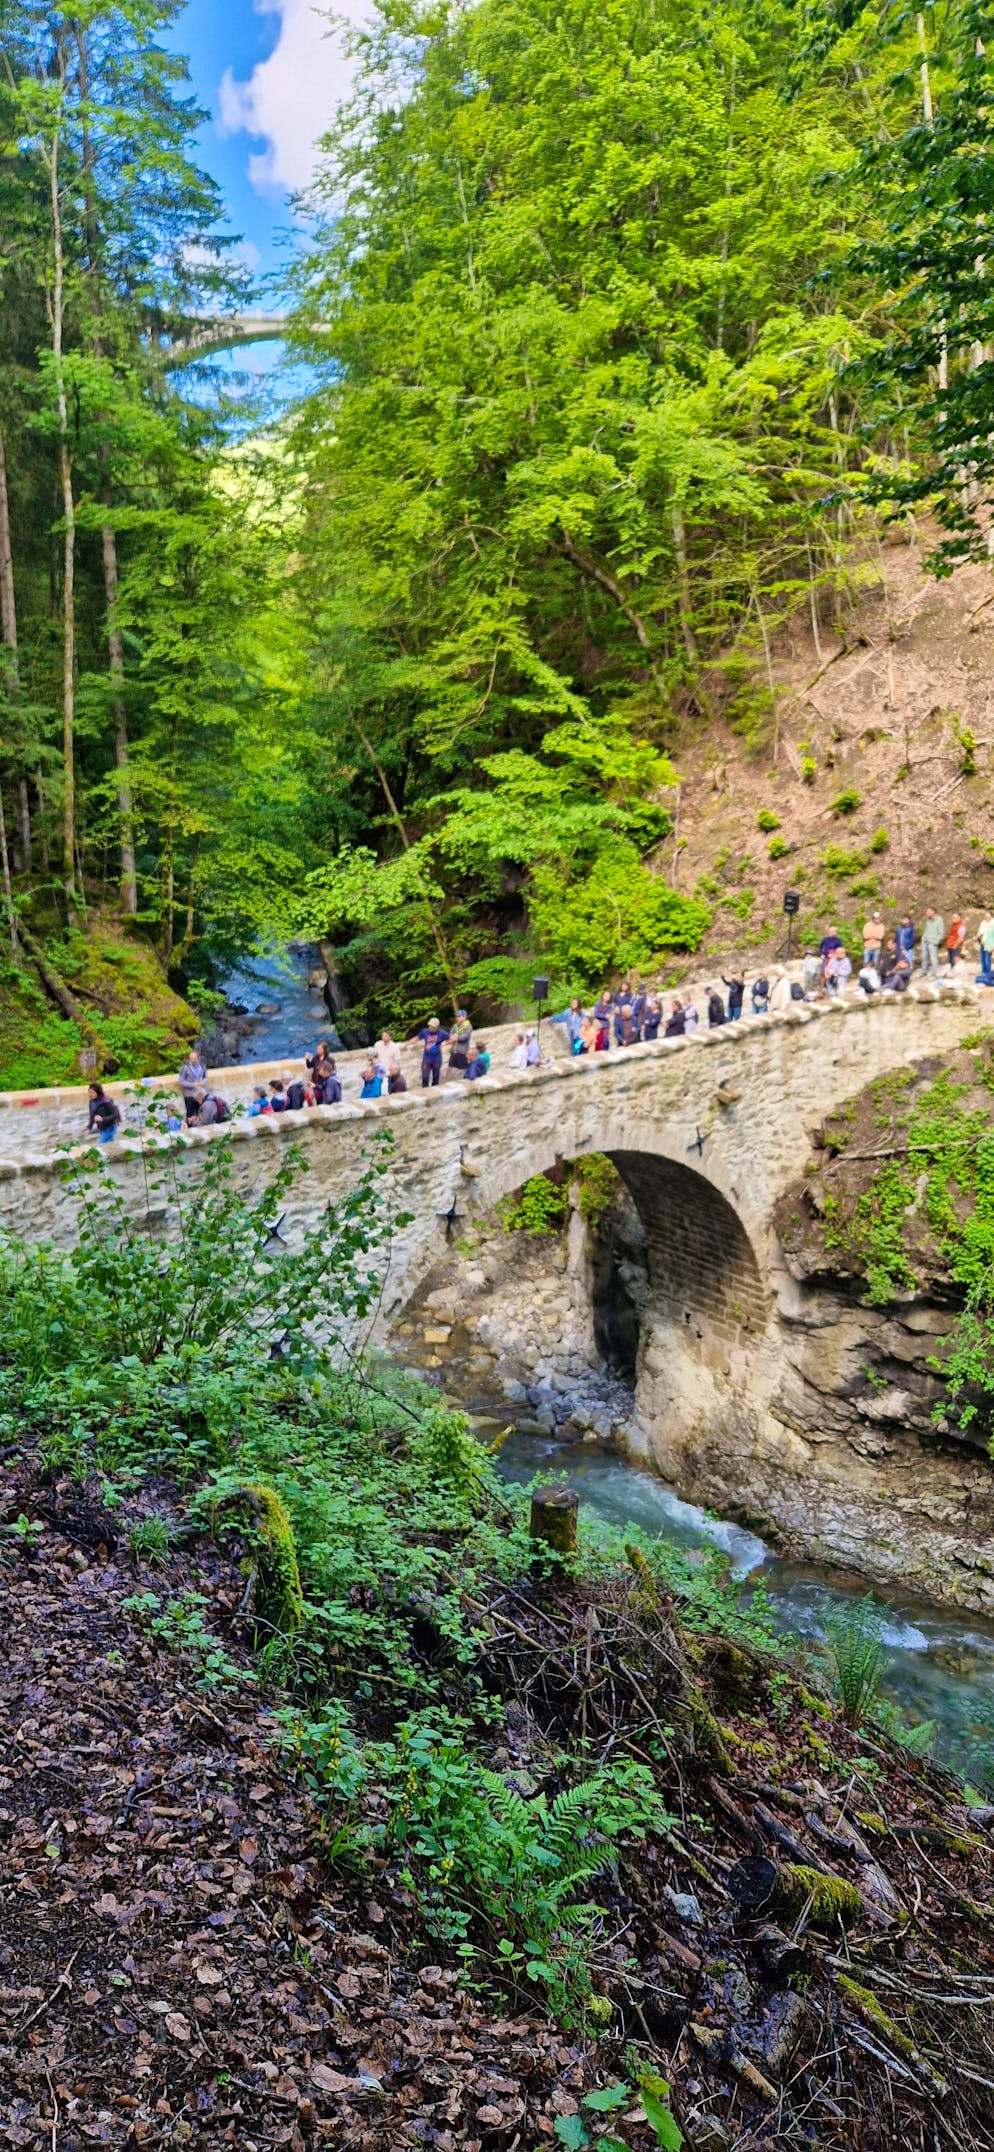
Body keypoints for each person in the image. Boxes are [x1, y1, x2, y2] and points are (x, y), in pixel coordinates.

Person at [413, 1016, 449, 1088]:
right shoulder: (425, 1031)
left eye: (433, 1027)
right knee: (425, 1076)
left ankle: (434, 1091)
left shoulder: (442, 1033)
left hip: (437, 1058)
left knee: (436, 1076)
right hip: (427, 1058)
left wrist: (445, 1043)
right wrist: (405, 1044)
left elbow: (452, 1038)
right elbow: (416, 1038)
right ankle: (425, 1090)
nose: (430, 1028)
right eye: (430, 1026)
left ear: (437, 1027)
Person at [178, 1047, 207, 1125]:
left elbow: (205, 1077)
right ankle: (190, 1128)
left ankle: (201, 1127)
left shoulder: (203, 1066)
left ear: (198, 1058)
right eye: (191, 1058)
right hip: (189, 1095)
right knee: (190, 1114)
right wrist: (192, 1085)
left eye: (194, 1058)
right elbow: (180, 1081)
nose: (192, 1060)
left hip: (200, 1094)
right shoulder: (185, 1068)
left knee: (201, 1112)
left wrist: (202, 1082)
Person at [920, 907, 945, 976]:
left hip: (932, 942)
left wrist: (935, 942)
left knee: (933, 958)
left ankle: (934, 973)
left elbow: (941, 933)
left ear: (933, 912)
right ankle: (923, 971)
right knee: (923, 957)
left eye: (928, 912)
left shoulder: (939, 920)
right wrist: (923, 938)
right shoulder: (928, 920)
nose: (926, 913)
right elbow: (927, 930)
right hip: (925, 941)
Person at [978, 910, 994, 984]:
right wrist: (979, 937)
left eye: (988, 916)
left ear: (991, 916)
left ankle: (988, 976)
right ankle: (983, 975)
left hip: (990, 944)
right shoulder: (983, 923)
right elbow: (979, 932)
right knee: (982, 959)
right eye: (985, 916)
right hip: (982, 943)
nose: (986, 917)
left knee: (987, 960)